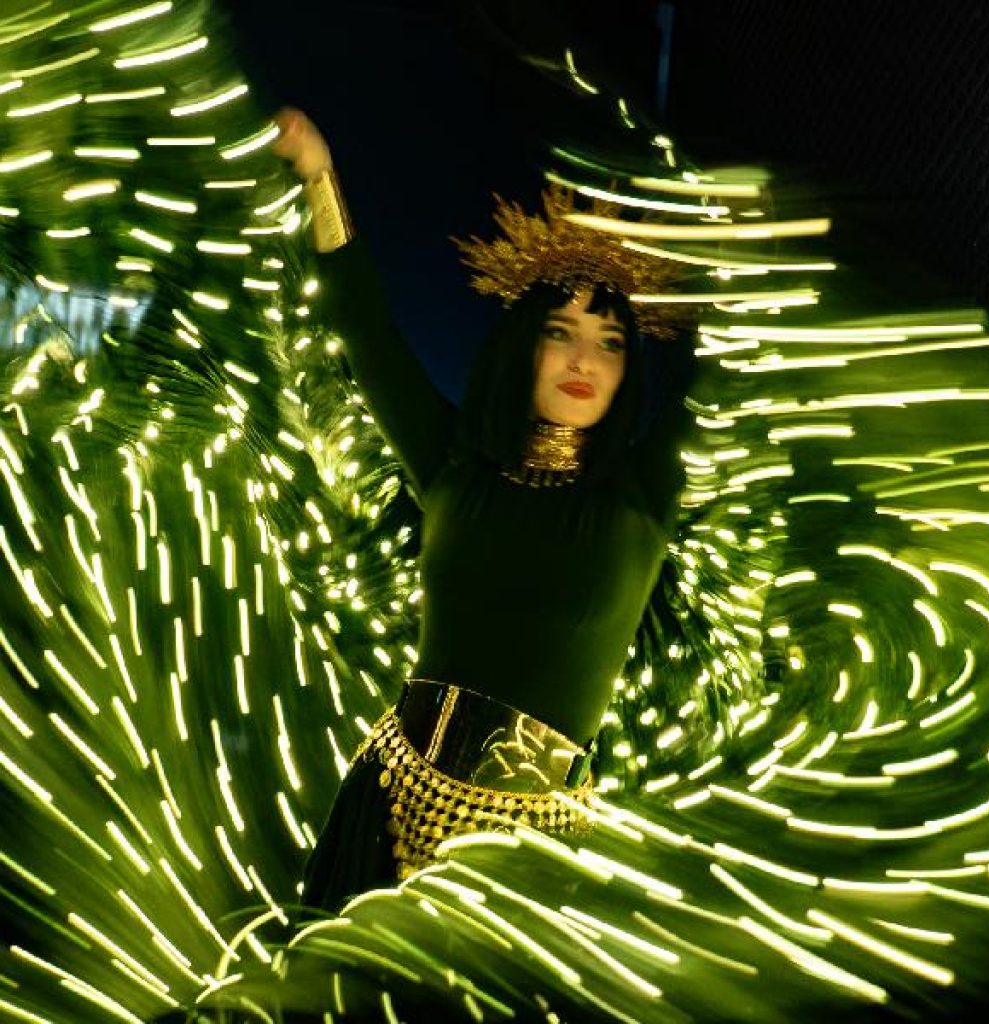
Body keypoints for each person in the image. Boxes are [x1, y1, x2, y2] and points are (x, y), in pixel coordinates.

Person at [272, 109, 695, 911]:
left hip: (528, 863)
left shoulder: (642, 497)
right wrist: (317, 173)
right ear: (522, 345)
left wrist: (739, 242)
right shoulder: (452, 465)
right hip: (385, 812)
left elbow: (721, 371)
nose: (583, 359)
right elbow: (364, 329)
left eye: (610, 341)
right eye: (561, 332)